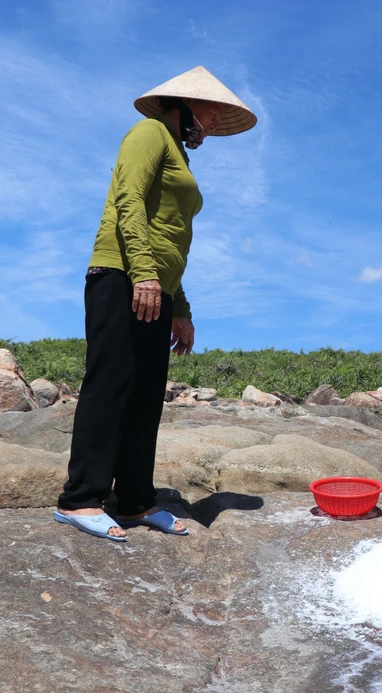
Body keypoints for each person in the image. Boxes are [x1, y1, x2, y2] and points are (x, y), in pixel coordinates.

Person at [54, 67, 257, 541]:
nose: (209, 120)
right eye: (206, 109)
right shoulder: (149, 133)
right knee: (112, 383)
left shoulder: (179, 153)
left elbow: (174, 239)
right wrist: (143, 273)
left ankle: (132, 502)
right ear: (181, 103)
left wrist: (180, 306)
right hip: (121, 275)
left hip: (156, 287)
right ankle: (80, 499)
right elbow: (128, 201)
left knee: (146, 395)